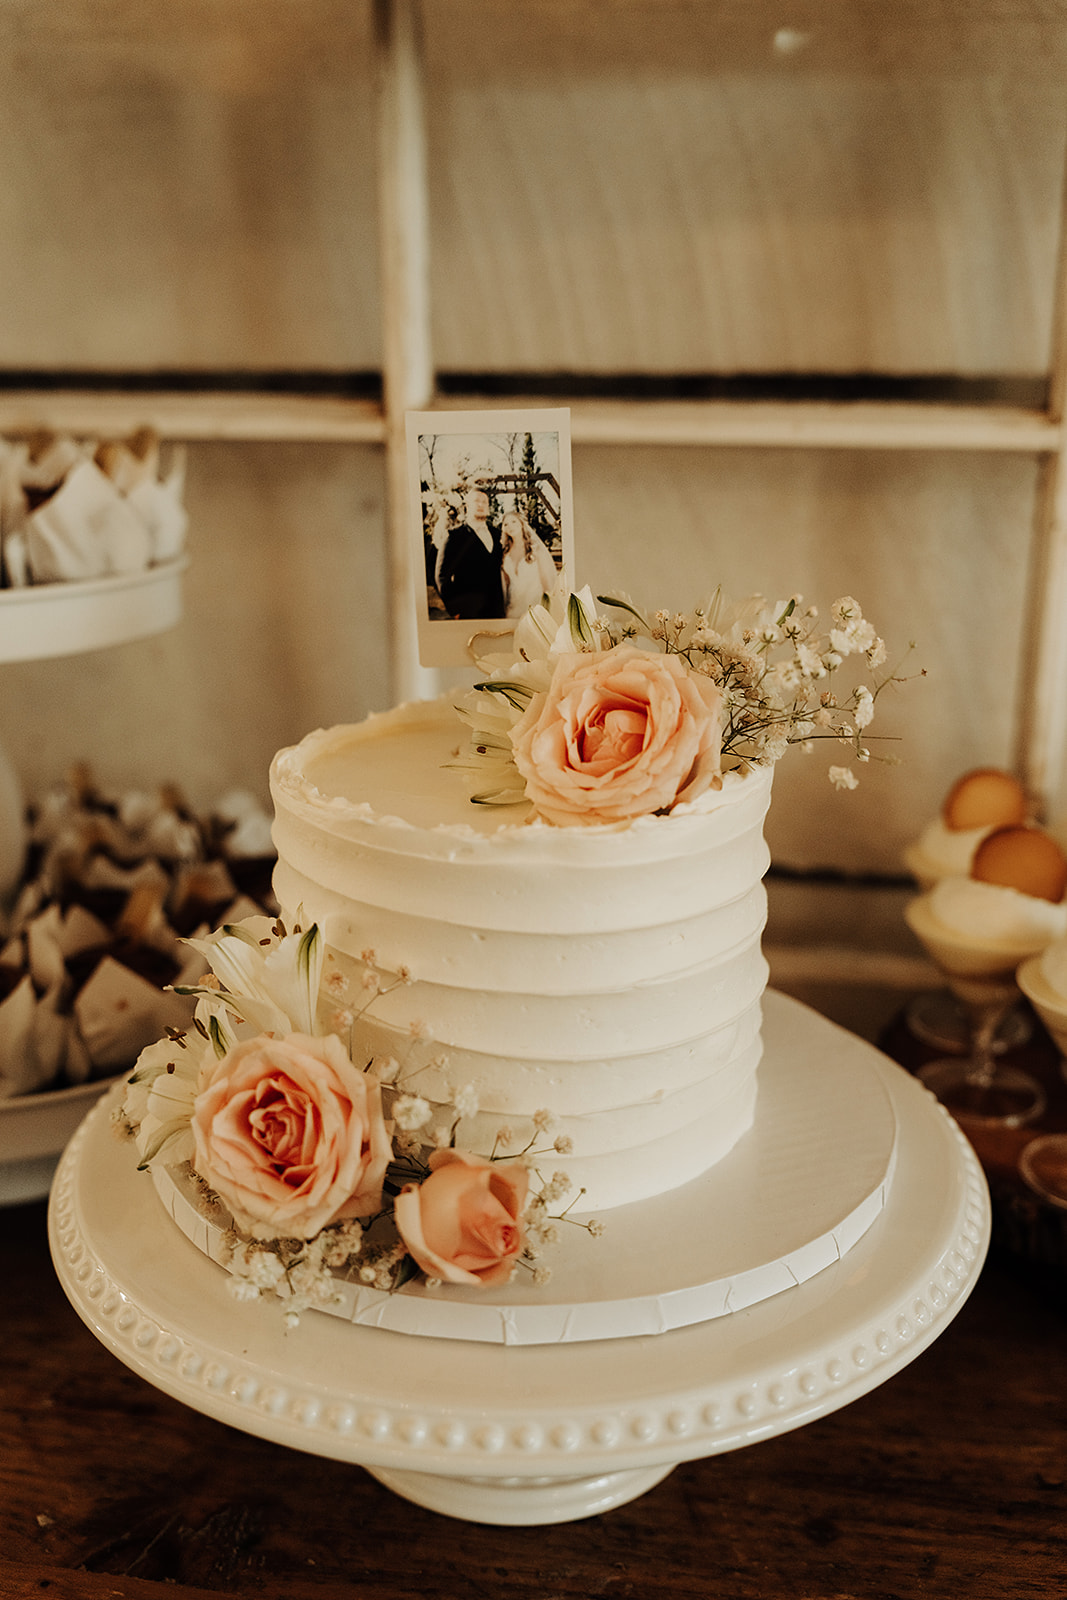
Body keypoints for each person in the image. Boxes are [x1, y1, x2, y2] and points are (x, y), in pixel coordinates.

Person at [435, 487, 505, 619]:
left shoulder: (498, 535)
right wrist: (454, 609)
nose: (481, 504)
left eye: (484, 502)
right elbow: (441, 576)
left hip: (497, 611)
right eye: (476, 501)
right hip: (468, 613)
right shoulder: (454, 536)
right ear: (467, 506)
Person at [500, 510, 558, 618]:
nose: (510, 526)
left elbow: (547, 584)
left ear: (522, 524)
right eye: (506, 524)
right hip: (513, 610)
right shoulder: (505, 553)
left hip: (535, 607)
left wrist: (548, 611)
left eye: (513, 521)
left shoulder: (536, 549)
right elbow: (506, 585)